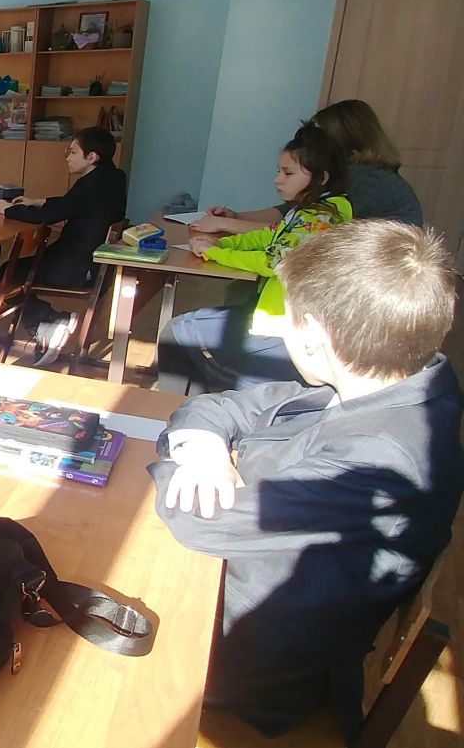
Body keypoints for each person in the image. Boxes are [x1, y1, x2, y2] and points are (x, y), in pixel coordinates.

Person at [149, 219, 463, 741]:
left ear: (315, 338)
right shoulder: (390, 380)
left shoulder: (379, 460)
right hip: (248, 596)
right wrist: (204, 449)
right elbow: (227, 405)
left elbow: (195, 518)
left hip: (244, 661)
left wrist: (199, 458)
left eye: (286, 320)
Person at [158, 125, 351, 395]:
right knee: (183, 336)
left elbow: (273, 261)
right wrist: (222, 243)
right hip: (279, 317)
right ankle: (199, 408)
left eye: (288, 173)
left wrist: (215, 252)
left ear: (322, 177)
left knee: (176, 334)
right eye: (278, 171)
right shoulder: (311, 210)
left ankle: (185, 409)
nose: (277, 180)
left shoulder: (320, 216)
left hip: (286, 328)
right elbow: (268, 235)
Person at [0, 126, 127, 366]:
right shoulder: (113, 177)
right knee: (9, 272)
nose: (67, 158)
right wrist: (38, 201)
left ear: (91, 157)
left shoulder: (89, 186)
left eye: (73, 152)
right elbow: (70, 203)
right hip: (91, 264)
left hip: (72, 267)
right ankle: (48, 323)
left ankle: (50, 321)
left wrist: (9, 210)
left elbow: (50, 215)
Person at [193, 99, 419, 235]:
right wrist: (238, 217)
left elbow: (298, 229)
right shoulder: (344, 174)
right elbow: (292, 212)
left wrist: (226, 224)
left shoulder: (366, 179)